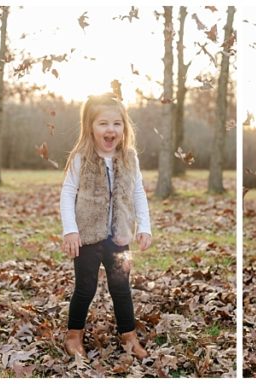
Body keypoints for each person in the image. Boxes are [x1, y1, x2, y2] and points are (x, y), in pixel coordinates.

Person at [59, 93, 153, 359]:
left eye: (117, 123)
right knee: (85, 288)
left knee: (121, 288)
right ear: (90, 127)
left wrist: (144, 226)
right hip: (88, 237)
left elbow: (138, 193)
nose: (110, 129)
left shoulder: (129, 158)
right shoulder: (81, 157)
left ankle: (129, 336)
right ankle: (74, 335)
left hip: (120, 237)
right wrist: (70, 230)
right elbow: (67, 193)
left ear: (124, 128)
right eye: (103, 123)